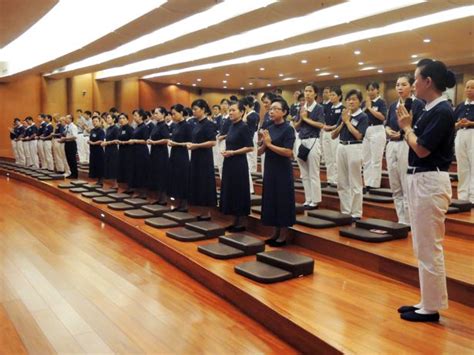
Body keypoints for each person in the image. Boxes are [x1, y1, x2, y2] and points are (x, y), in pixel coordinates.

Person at [396, 58, 456, 322]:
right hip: (420, 179)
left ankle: (431, 307)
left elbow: (421, 148)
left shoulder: (442, 111)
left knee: (430, 245)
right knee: (421, 244)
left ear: (427, 81)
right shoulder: (428, 108)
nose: (413, 84)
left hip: (430, 180)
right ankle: (426, 300)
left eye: (415, 78)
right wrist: (409, 128)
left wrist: (407, 127)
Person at [386, 74, 425, 225]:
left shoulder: (418, 105)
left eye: (403, 84)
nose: (400, 88)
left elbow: (418, 127)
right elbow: (388, 124)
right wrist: (388, 131)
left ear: (412, 87)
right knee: (395, 185)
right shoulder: (393, 105)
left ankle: (410, 220)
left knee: (406, 183)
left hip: (406, 143)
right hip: (392, 144)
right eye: (397, 85)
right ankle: (401, 219)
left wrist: (403, 132)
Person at [259, 97, 296, 246]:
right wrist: (263, 143)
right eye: (271, 109)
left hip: (283, 170)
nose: (271, 111)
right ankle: (274, 232)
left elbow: (288, 152)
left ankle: (283, 235)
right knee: (271, 199)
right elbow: (260, 151)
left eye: (275, 109)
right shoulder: (269, 127)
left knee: (282, 200)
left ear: (285, 112)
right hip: (270, 168)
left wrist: (269, 144)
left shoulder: (288, 128)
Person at [331, 89, 369, 221]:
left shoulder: (363, 116)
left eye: (354, 99)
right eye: (349, 99)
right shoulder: (344, 114)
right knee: (342, 181)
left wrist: (347, 122)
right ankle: (346, 211)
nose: (351, 102)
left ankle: (356, 213)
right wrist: (342, 122)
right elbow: (333, 135)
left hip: (354, 147)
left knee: (355, 181)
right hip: (341, 146)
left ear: (359, 101)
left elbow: (359, 135)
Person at [220, 100, 254, 231]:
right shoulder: (231, 125)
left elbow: (250, 147)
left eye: (233, 110)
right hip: (229, 162)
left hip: (239, 163)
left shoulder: (243, 126)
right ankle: (234, 221)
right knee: (231, 191)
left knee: (239, 191)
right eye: (230, 110)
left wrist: (233, 152)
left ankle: (242, 223)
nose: (231, 112)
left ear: (241, 112)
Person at [294, 83, 325, 210]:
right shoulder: (301, 108)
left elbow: (320, 125)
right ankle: (308, 199)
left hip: (313, 140)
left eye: (310, 91)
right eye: (306, 91)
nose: (307, 93)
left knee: (313, 172)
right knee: (304, 173)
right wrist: (302, 119)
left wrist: (306, 119)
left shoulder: (319, 108)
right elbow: (296, 126)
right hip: (302, 141)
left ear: (315, 94)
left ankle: (315, 200)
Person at [187, 99, 217, 220]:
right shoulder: (196, 123)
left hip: (204, 158)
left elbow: (213, 142)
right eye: (193, 109)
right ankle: (202, 212)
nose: (193, 112)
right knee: (198, 183)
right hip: (196, 157)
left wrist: (196, 146)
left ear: (203, 109)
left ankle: (207, 212)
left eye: (196, 109)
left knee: (205, 184)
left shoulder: (208, 124)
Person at [362, 81, 387, 190]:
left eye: (373, 89)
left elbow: (382, 117)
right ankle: (367, 182)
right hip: (366, 130)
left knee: (376, 159)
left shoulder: (381, 102)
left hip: (377, 129)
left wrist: (370, 108)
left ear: (377, 90)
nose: (370, 92)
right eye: (368, 90)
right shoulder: (365, 102)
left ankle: (375, 184)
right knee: (366, 159)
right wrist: (365, 107)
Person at [168, 104, 193, 212]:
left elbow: (190, 143)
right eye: (172, 114)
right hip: (174, 154)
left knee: (182, 179)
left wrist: (175, 144)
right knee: (175, 178)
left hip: (182, 155)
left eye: (175, 114)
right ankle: (179, 203)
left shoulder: (187, 126)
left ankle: (185, 204)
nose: (173, 116)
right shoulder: (176, 125)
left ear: (181, 113)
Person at [454, 79, 474, 203]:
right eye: (467, 87)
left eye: (472, 87)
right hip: (461, 133)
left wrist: (471, 122)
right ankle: (463, 196)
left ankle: (473, 196)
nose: (468, 89)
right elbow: (453, 122)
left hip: (473, 133)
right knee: (462, 166)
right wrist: (458, 124)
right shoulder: (460, 106)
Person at [148, 107, 171, 205]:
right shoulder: (156, 125)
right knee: (156, 175)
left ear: (163, 114)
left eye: (157, 113)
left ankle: (164, 199)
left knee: (162, 175)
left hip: (161, 154)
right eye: (154, 113)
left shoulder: (164, 126)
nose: (155, 115)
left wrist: (154, 142)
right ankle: (159, 198)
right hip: (155, 153)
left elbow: (166, 139)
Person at [322, 87, 343, 186]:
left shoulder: (342, 108)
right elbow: (323, 118)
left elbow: (341, 122)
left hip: (335, 132)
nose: (331, 97)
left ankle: (337, 178)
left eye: (333, 95)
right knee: (328, 157)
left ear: (339, 96)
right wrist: (325, 125)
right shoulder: (327, 106)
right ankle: (330, 178)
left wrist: (332, 127)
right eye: (330, 95)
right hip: (326, 133)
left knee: (335, 157)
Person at [129, 109, 151, 198]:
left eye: (136, 115)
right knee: (136, 171)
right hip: (135, 151)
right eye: (133, 115)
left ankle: (144, 192)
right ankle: (138, 190)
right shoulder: (137, 127)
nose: (134, 117)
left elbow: (145, 140)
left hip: (142, 152)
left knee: (142, 171)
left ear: (141, 117)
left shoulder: (144, 127)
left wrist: (135, 140)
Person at [258, 92, 276, 177]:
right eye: (263, 103)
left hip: (274, 145)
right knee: (264, 172)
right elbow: (263, 127)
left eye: (266, 102)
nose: (264, 105)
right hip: (265, 144)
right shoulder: (266, 114)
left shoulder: (277, 115)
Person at [116, 113, 134, 192]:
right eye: (120, 118)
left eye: (123, 118)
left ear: (127, 119)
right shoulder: (120, 128)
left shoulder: (130, 129)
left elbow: (132, 140)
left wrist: (124, 142)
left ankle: (130, 187)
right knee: (122, 168)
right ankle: (124, 186)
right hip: (121, 150)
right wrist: (118, 141)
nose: (121, 120)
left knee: (128, 168)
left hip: (129, 151)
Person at [102, 114, 120, 188]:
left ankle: (116, 184)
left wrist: (107, 143)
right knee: (109, 165)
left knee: (113, 166)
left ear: (113, 119)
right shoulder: (108, 129)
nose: (107, 119)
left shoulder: (116, 128)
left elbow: (117, 140)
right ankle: (113, 183)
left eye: (109, 117)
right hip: (107, 149)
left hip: (113, 149)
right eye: (107, 118)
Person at [60, 114, 79, 179]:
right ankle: (71, 173)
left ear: (71, 119)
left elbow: (74, 136)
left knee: (72, 159)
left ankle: (75, 174)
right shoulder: (67, 126)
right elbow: (66, 134)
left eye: (67, 118)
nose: (65, 119)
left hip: (71, 144)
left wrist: (65, 138)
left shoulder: (73, 126)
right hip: (67, 143)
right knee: (68, 159)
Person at [87, 116, 105, 184]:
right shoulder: (92, 130)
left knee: (99, 165)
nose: (94, 123)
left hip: (99, 151)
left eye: (96, 121)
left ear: (100, 122)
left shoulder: (101, 131)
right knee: (94, 165)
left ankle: (101, 180)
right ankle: (97, 180)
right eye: (93, 121)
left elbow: (101, 140)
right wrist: (89, 141)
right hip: (92, 150)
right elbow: (91, 138)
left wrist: (93, 143)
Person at [216, 99, 231, 179]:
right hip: (220, 141)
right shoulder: (222, 117)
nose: (223, 105)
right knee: (220, 163)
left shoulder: (231, 117)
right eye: (222, 104)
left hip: (227, 141)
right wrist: (219, 135)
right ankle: (222, 181)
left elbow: (232, 131)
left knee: (224, 163)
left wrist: (224, 136)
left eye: (225, 104)